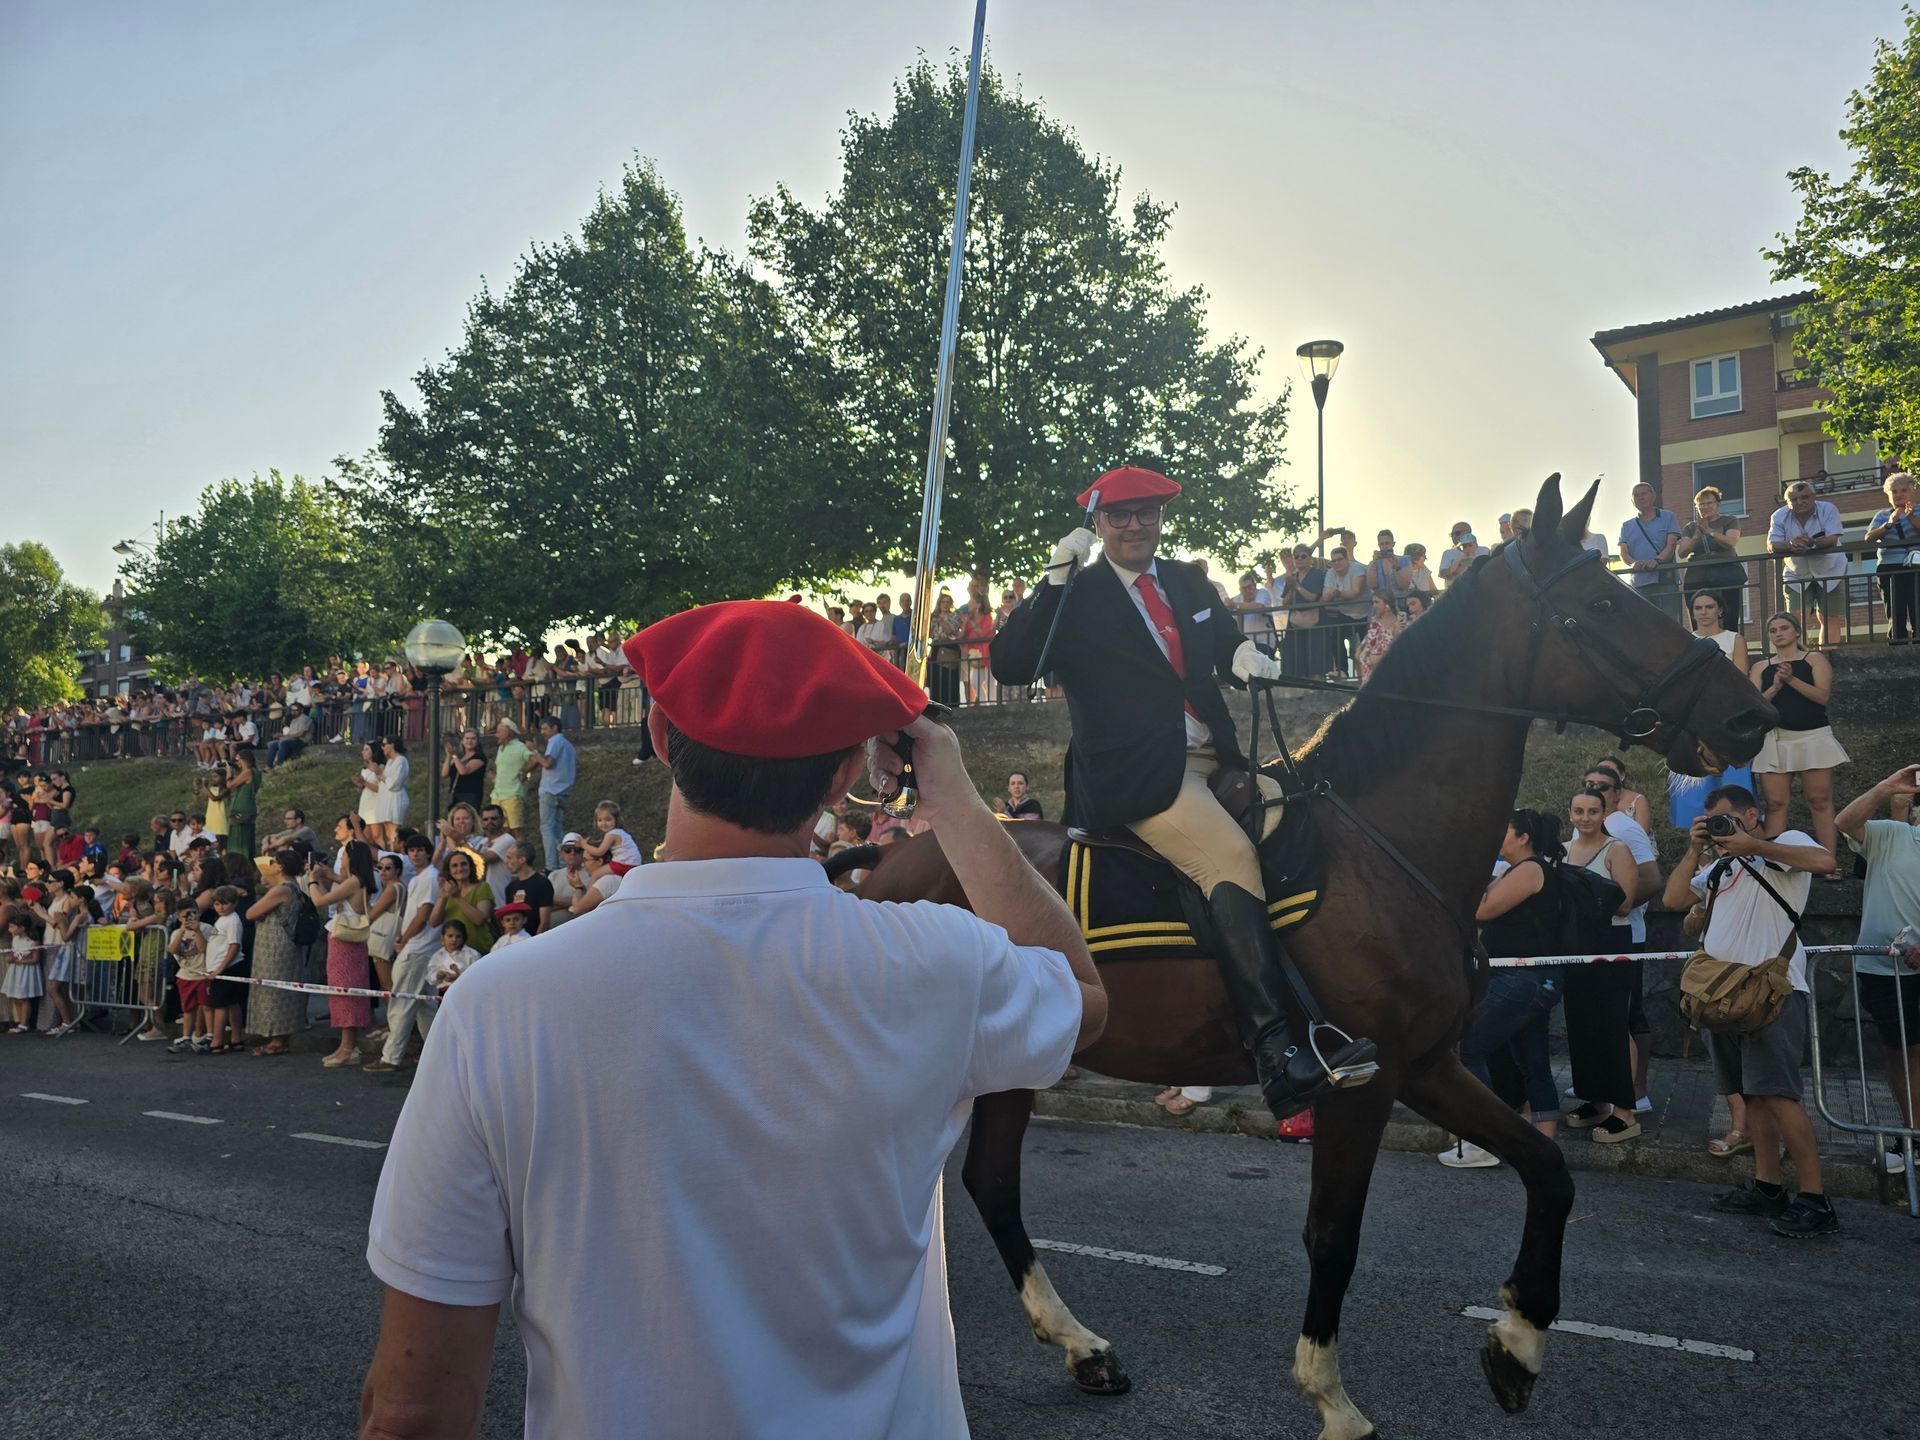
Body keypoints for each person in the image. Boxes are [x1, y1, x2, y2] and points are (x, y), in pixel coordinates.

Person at [360, 599, 1105, 1439]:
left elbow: (412, 1412)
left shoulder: (497, 1003)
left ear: (663, 739)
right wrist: (957, 800)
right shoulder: (938, 962)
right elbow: (1081, 998)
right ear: (843, 775)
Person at [990, 465, 1375, 1119]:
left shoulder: (1189, 580)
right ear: (1097, 524)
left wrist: (1242, 657)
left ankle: (1327, 1004)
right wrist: (1052, 582)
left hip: (1216, 758)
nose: (1134, 525)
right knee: (1230, 857)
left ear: (1162, 518)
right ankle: (1276, 1051)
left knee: (1304, 822)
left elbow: (1223, 643)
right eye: (1119, 515)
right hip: (1139, 777)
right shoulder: (1076, 594)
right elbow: (1011, 665)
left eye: (1146, 512)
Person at [1665, 785, 1839, 1236]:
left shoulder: (1785, 844)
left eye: (1726, 820)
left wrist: (1754, 846)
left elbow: (1825, 862)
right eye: (1712, 823)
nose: (1721, 829)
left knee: (1779, 1096)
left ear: (1752, 815)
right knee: (1751, 1094)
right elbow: (1673, 901)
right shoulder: (1720, 866)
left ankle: (1816, 1200)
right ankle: (1767, 1187)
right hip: (1722, 994)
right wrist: (1695, 850)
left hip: (1772, 992)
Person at [1442, 809, 1570, 1167]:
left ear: (1523, 837)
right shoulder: (1520, 869)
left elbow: (1481, 909)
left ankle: (1485, 1140)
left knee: (1468, 1046)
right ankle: (1545, 1142)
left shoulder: (1530, 869)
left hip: (1522, 980)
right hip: (1529, 979)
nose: (1494, 836)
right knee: (1533, 1060)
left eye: (1503, 830)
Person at [1836, 765, 1920, 1174]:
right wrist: (1885, 787)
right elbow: (1845, 822)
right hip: (1885, 968)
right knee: (1902, 1052)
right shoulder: (1893, 834)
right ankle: (1913, 1137)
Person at [1560, 787, 1642, 1142]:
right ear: (1570, 813)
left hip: (1610, 941)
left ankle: (1624, 1110)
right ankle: (1594, 1098)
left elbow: (1625, 903)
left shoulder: (1616, 849)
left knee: (1613, 1024)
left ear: (1603, 813)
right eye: (1578, 811)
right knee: (1581, 1022)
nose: (1585, 818)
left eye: (1592, 811)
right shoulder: (1562, 850)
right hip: (1574, 944)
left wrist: (1585, 890)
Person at [1750, 612, 1848, 865]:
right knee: (1775, 803)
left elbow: (1822, 696)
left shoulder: (1814, 659)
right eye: (1773, 630)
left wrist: (1791, 679)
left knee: (1819, 800)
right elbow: (1754, 706)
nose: (1778, 634)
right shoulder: (1760, 667)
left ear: (1797, 632)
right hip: (1774, 739)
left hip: (1812, 737)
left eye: (1784, 628)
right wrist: (1775, 686)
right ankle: (1773, 864)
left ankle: (1828, 861)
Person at [365, 831, 441, 1074]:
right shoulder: (420, 878)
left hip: (418, 947)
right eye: (411, 850)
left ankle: (391, 1057)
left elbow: (423, 914)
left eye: (420, 850)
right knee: (425, 1007)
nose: (415, 854)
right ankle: (437, 1054)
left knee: (401, 1003)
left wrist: (404, 939)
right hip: (418, 946)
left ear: (428, 853)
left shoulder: (430, 878)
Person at [304, 839, 376, 1069]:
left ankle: (348, 1048)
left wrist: (312, 880)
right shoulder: (354, 880)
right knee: (340, 991)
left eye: (344, 855)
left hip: (346, 942)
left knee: (346, 993)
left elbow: (319, 900)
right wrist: (325, 877)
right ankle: (345, 1046)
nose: (341, 859)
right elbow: (334, 893)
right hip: (342, 940)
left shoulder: (354, 881)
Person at [1768, 480, 1848, 649]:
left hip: (1831, 569)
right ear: (1787, 502)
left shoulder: (1828, 509)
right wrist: (1790, 545)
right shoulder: (1779, 516)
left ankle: (1827, 656)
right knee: (1794, 618)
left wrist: (1811, 543)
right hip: (1796, 572)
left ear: (1813, 497)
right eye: (1793, 499)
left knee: (1829, 616)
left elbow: (1833, 539)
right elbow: (1772, 545)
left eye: (1804, 497)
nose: (1799, 502)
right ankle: (1798, 657)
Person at [244, 849, 304, 1057]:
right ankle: (278, 1037)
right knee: (280, 989)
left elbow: (251, 913)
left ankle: (277, 1039)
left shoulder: (281, 889)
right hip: (283, 942)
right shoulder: (294, 886)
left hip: (275, 945)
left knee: (273, 991)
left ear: (280, 866)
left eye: (273, 862)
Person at [1678, 485, 1748, 632]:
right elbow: (1682, 552)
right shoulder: (1690, 527)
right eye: (1701, 504)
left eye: (1709, 503)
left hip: (1727, 574)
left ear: (1717, 504)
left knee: (1729, 618)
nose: (1705, 507)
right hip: (1697, 577)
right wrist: (1697, 535)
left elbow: (1731, 542)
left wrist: (1710, 531)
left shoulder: (1729, 521)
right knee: (1698, 619)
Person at [1865, 470, 1919, 644]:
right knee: (1895, 613)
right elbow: (1869, 538)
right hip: (1890, 568)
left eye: (1903, 490)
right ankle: (1897, 647)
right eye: (1894, 491)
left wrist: (1912, 518)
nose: (1899, 495)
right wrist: (1889, 524)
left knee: (1918, 611)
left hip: (1917, 567)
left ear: (1912, 491)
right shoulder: (1882, 515)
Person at [1618, 481, 1684, 621]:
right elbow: (1623, 552)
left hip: (1665, 581)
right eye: (1636, 495)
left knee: (1670, 622)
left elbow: (1671, 544)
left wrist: (1657, 561)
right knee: (1643, 623)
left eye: (1644, 494)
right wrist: (1632, 564)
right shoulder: (1626, 526)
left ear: (1653, 496)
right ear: (1632, 501)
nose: (1640, 497)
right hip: (1639, 583)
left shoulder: (1668, 516)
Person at [430, 847, 495, 956]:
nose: (460, 868)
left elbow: (479, 919)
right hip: (452, 954)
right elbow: (434, 922)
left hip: (478, 952)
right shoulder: (446, 890)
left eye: (463, 864)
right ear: (449, 870)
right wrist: (443, 898)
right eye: (454, 866)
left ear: (470, 867)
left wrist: (457, 897)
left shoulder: (482, 887)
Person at [533, 714, 575, 872]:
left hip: (550, 790)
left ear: (554, 728)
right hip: (564, 791)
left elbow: (547, 763)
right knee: (558, 829)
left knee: (547, 828)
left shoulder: (555, 741)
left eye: (545, 729)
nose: (542, 732)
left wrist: (534, 752)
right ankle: (563, 863)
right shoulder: (568, 746)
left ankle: (550, 865)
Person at [490, 719, 534, 833]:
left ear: (507, 733)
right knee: (500, 829)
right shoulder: (501, 748)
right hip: (497, 794)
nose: (497, 735)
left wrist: (525, 772)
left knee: (516, 830)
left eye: (499, 732)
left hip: (512, 794)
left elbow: (534, 759)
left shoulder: (519, 747)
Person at [500, 841, 555, 932]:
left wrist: (537, 939)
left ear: (522, 860)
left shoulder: (542, 883)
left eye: (509, 858)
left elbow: (544, 922)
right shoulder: (510, 887)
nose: (506, 862)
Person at [1355, 589, 1400, 683]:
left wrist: (1380, 658)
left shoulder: (1397, 623)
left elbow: (1397, 647)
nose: (1374, 605)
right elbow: (1369, 636)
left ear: (1387, 603)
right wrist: (1360, 648)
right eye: (1373, 603)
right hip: (1369, 667)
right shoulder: (1374, 620)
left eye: (1377, 602)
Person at [960, 592, 996, 704]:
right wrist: (964, 623)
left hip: (988, 653)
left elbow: (982, 634)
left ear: (978, 605)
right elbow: (962, 636)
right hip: (975, 654)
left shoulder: (987, 617)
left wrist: (971, 622)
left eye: (971, 602)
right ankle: (984, 703)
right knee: (975, 682)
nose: (968, 604)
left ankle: (993, 704)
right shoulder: (969, 619)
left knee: (990, 682)